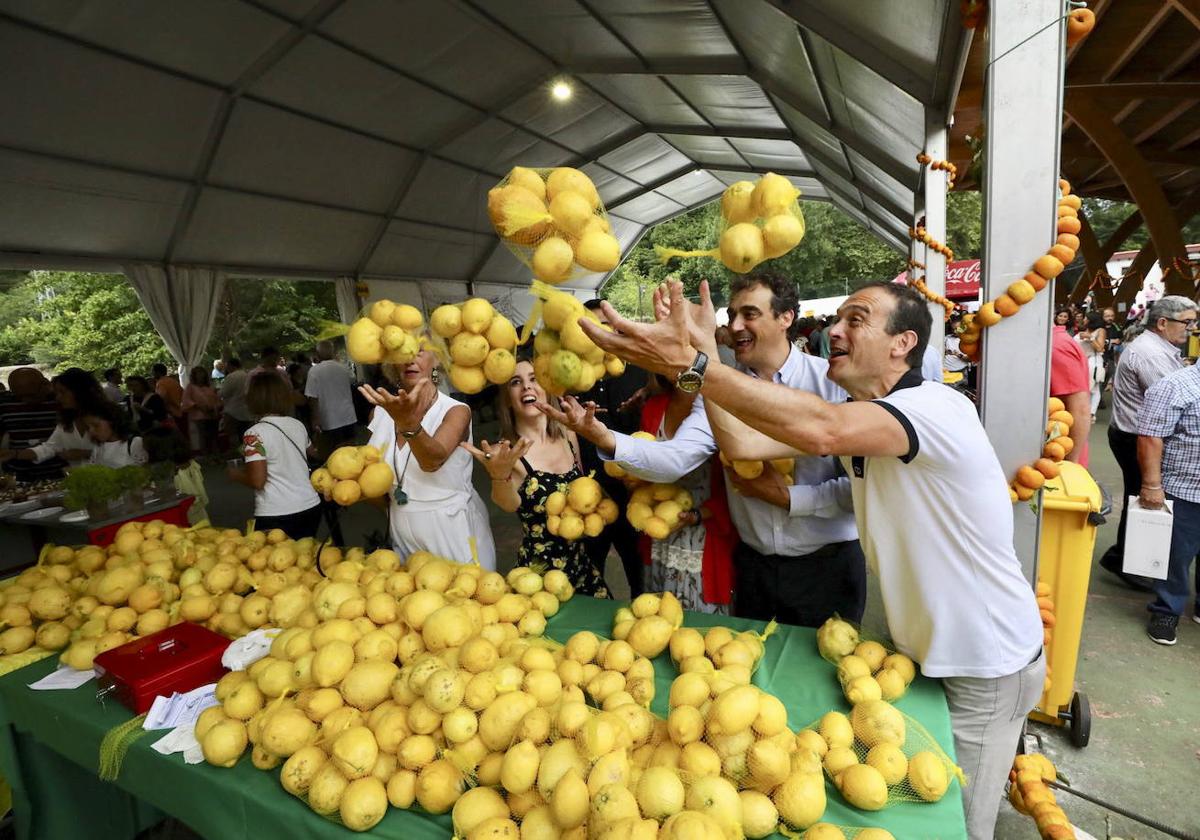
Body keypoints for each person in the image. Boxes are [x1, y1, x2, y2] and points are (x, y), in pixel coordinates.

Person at [583, 279, 1044, 840]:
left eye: (856, 319)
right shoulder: (866, 415)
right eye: (837, 318)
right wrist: (699, 359)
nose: (834, 330)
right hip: (924, 656)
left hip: (984, 663)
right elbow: (746, 446)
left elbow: (822, 431)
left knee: (956, 828)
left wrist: (698, 362)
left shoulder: (932, 407)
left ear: (902, 343)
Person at [558, 274, 864, 627]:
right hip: (754, 570)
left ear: (785, 318)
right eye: (731, 315)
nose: (735, 326)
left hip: (828, 567)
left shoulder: (831, 382)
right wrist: (604, 437)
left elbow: (861, 489)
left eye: (749, 314)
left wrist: (790, 499)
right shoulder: (718, 391)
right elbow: (675, 459)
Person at [544, 377, 736, 612]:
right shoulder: (654, 406)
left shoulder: (719, 409)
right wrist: (631, 481)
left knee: (705, 630)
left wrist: (698, 514)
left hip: (705, 538)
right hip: (658, 536)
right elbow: (644, 474)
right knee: (655, 620)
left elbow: (735, 485)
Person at [464, 358, 606, 593]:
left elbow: (582, 487)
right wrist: (500, 476)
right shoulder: (508, 453)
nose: (527, 387)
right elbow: (507, 504)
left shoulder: (567, 436)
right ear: (508, 400)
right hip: (540, 576)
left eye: (534, 379)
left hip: (582, 566)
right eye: (515, 382)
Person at [358, 351, 496, 568]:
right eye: (402, 350)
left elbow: (432, 460)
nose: (409, 358)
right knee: (418, 600)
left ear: (437, 358)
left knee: (469, 596)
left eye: (419, 351)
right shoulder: (380, 414)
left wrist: (408, 425)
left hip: (452, 530)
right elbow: (372, 480)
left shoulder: (455, 411)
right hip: (401, 533)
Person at [1098, 295, 1198, 590]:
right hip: (1137, 438)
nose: (1191, 329)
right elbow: (1173, 398)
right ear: (1163, 323)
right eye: (1187, 322)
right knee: (1145, 498)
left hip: (1133, 433)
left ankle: (1125, 558)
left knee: (1141, 498)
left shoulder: (1160, 348)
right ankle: (1128, 562)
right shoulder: (1151, 354)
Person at [577, 298, 649, 598]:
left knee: (639, 573)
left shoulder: (641, 373)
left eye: (605, 327)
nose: (599, 335)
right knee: (590, 571)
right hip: (589, 495)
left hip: (634, 491)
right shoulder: (573, 379)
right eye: (591, 328)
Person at [1136, 360, 1200, 645]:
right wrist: (1152, 485)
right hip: (1185, 490)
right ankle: (1167, 610)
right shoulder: (1175, 385)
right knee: (1176, 556)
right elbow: (1150, 437)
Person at [228, 372, 322, 539]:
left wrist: (237, 475)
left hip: (277, 513)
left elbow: (258, 481)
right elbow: (313, 452)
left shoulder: (254, 434)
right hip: (310, 506)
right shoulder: (297, 424)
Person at [0, 368, 101, 469]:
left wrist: (87, 453)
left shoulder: (108, 417)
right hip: (73, 477)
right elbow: (50, 447)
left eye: (62, 392)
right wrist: (15, 453)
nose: (58, 397)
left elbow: (115, 451)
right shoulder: (66, 419)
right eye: (19, 397)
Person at [0, 368, 62, 481]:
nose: (26, 400)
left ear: (44, 385)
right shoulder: (4, 404)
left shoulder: (59, 400)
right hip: (18, 472)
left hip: (57, 469)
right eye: (20, 396)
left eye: (31, 395)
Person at [1049, 316, 1092, 466]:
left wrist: (1072, 463)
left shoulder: (1055, 346)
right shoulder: (1054, 342)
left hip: (1061, 458)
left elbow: (1080, 410)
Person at [305, 341, 358, 460]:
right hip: (348, 415)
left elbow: (312, 397)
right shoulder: (342, 367)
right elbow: (352, 382)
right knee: (351, 450)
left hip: (329, 419)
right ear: (333, 352)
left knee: (335, 455)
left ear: (317, 354)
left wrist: (315, 419)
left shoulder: (314, 371)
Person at [83, 401, 148, 468]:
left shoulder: (135, 443)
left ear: (112, 421)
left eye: (96, 425)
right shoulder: (98, 447)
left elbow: (143, 472)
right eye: (88, 427)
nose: (91, 431)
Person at [182, 366, 221, 455]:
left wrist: (214, 407)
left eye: (202, 373)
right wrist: (197, 405)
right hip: (199, 416)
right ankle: (206, 455)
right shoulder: (190, 387)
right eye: (198, 374)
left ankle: (216, 454)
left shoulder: (209, 386)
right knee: (204, 436)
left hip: (212, 414)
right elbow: (186, 400)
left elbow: (217, 400)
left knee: (214, 435)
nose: (200, 376)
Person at [1076, 310, 1107, 419]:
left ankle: (1091, 413)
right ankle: (1087, 411)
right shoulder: (1085, 330)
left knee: (1093, 387)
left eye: (1085, 318)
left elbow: (1100, 348)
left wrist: (1090, 337)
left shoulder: (1100, 331)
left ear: (1091, 320)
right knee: (1086, 386)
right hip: (1083, 361)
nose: (1083, 320)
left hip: (1093, 360)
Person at [219, 358, 254, 446]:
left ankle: (237, 454)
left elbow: (224, 393)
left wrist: (217, 392)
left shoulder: (231, 376)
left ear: (231, 366)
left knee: (233, 436)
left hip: (233, 411)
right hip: (247, 411)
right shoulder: (248, 375)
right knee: (247, 437)